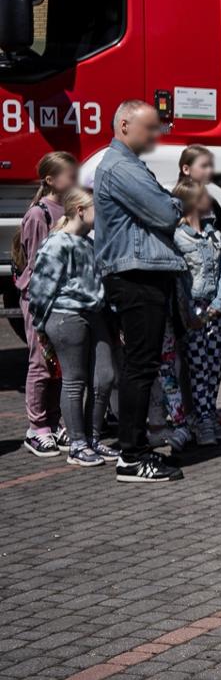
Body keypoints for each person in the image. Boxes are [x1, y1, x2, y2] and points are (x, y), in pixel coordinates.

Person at [94, 100, 187, 483]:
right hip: (137, 277)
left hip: (142, 274)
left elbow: (164, 208)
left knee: (141, 365)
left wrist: (168, 202)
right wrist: (172, 202)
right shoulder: (119, 167)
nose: (155, 136)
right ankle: (132, 456)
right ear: (125, 125)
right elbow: (167, 213)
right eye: (149, 129)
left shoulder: (127, 165)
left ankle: (136, 450)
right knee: (140, 366)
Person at [26, 189, 113, 467]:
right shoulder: (57, 244)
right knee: (74, 381)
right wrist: (41, 326)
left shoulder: (88, 243)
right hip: (67, 316)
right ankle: (77, 444)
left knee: (104, 377)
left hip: (95, 314)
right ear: (80, 210)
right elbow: (40, 289)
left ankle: (93, 438)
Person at [14, 152, 78, 457]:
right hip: (40, 299)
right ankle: (36, 428)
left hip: (62, 297)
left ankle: (54, 423)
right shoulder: (39, 215)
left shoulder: (67, 209)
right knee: (40, 362)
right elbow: (39, 263)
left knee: (59, 365)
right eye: (69, 174)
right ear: (51, 180)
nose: (74, 178)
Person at [173, 179, 221, 447]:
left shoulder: (214, 235)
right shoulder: (178, 237)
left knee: (213, 366)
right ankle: (201, 420)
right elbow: (180, 279)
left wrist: (220, 303)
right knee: (197, 366)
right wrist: (188, 312)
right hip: (193, 309)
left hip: (214, 309)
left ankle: (208, 416)